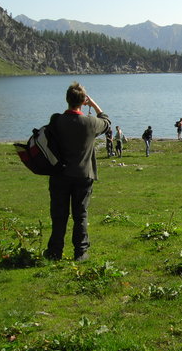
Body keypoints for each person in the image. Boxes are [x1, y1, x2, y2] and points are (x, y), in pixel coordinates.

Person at [43, 82, 110, 262]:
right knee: (80, 214)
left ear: (67, 99)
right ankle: (80, 252)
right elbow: (107, 121)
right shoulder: (90, 123)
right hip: (83, 175)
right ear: (83, 101)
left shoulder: (56, 120)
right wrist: (94, 104)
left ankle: (55, 252)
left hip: (59, 175)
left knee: (59, 215)